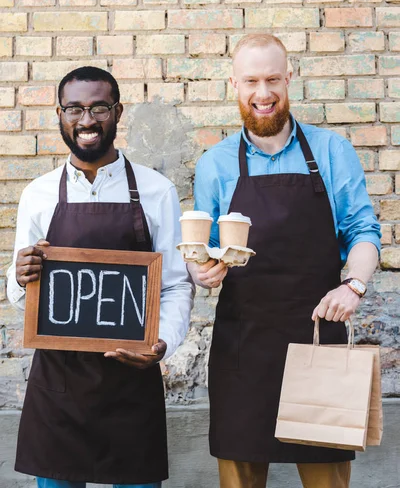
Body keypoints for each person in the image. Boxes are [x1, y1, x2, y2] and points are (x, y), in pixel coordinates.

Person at [189, 34, 381, 488]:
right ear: (233, 84)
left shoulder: (332, 152)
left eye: (273, 78)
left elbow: (364, 233)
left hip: (318, 340)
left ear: (289, 78)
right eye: (251, 80)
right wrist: (202, 272)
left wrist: (353, 285)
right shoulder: (215, 165)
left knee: (327, 480)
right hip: (243, 350)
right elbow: (207, 252)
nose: (263, 92)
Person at [7, 66, 194, 488]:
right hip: (59, 391)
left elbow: (177, 283)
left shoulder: (156, 191)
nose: (87, 120)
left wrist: (161, 343)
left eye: (98, 108)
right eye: (74, 108)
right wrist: (19, 278)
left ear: (117, 112)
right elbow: (21, 294)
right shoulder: (37, 194)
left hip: (131, 388)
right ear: (59, 113)